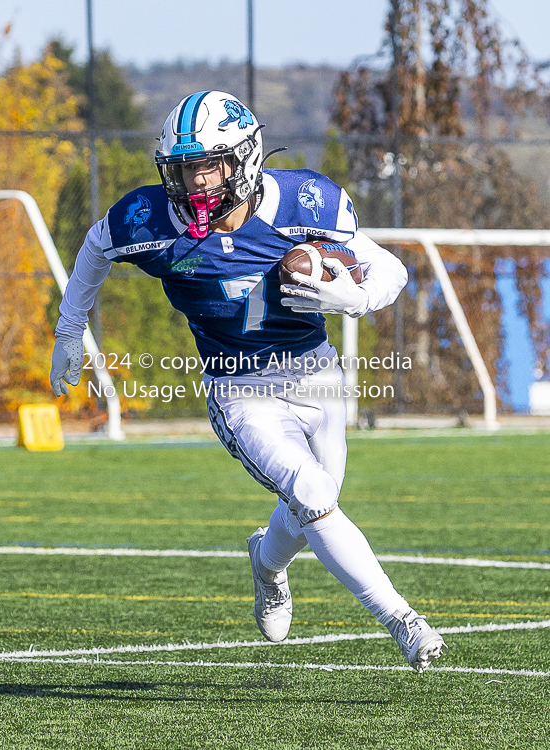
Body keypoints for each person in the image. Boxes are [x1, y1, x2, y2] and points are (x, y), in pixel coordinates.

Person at [50, 90, 447, 673]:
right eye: (180, 169)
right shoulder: (151, 219)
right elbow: (94, 248)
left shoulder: (304, 200)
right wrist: (68, 329)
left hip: (317, 375)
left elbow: (391, 269)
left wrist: (356, 296)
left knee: (317, 499)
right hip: (240, 389)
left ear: (245, 158)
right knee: (313, 495)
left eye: (206, 165)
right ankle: (403, 621)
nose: (191, 183)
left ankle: (266, 563)